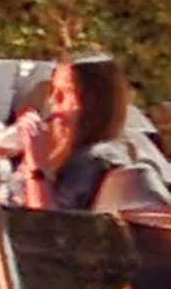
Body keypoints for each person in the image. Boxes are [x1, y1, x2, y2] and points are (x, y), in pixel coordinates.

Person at [26, 55, 141, 212]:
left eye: (65, 93)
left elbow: (45, 223)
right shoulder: (78, 153)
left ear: (92, 103)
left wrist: (36, 165)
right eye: (53, 91)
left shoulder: (94, 160)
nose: (53, 102)